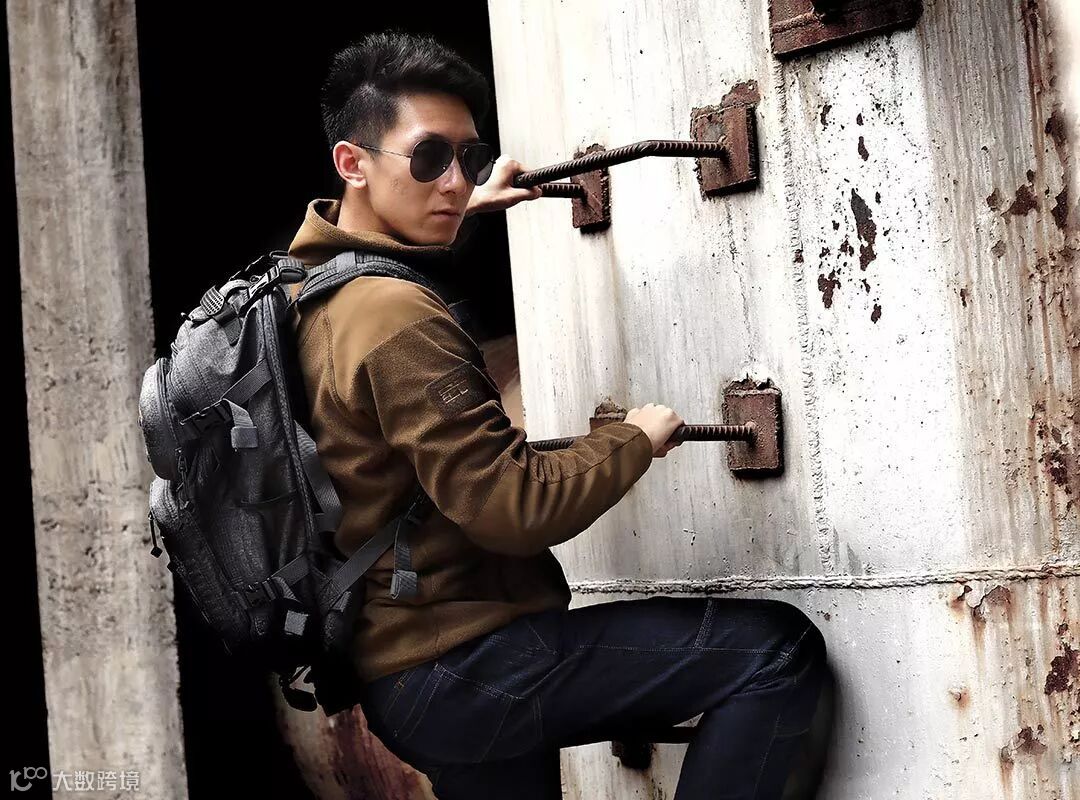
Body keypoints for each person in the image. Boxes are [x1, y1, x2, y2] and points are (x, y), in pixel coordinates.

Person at [285, 28, 834, 800]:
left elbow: (372, 295)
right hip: (464, 665)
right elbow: (511, 509)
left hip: (399, 673)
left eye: (469, 158)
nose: (454, 182)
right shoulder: (394, 317)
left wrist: (468, 206)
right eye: (429, 158)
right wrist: (632, 440)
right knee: (773, 654)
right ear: (353, 163)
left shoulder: (302, 286)